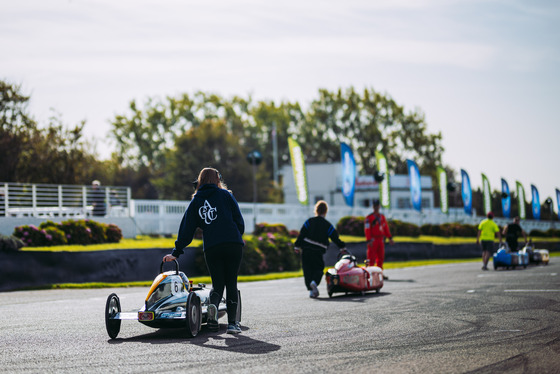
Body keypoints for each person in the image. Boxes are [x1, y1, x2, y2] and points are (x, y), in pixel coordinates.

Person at [163, 168, 245, 334]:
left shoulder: (196, 201)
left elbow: (186, 229)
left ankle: (213, 306)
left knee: (217, 283)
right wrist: (236, 234)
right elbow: (239, 221)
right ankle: (232, 325)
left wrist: (176, 252)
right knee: (231, 282)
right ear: (217, 179)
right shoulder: (226, 195)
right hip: (232, 244)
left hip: (212, 246)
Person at [294, 200, 346, 298]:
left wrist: (297, 246)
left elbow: (302, 234)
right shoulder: (327, 225)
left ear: (316, 210)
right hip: (318, 251)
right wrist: (342, 247)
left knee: (307, 270)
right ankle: (314, 282)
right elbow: (335, 237)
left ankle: (311, 290)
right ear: (325, 211)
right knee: (318, 269)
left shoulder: (309, 221)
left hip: (306, 250)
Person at [364, 199, 394, 279]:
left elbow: (386, 228)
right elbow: (367, 229)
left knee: (380, 258)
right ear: (373, 207)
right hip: (373, 240)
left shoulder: (382, 217)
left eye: (377, 206)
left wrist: (390, 238)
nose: (376, 208)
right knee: (370, 258)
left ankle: (379, 273)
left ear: (379, 206)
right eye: (375, 206)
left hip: (380, 240)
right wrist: (369, 239)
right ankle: (368, 273)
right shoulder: (369, 217)